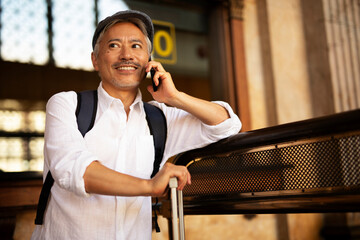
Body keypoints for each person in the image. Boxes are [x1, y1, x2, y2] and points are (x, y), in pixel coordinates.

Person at [31, 10, 241, 239]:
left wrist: (175, 97)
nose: (126, 55)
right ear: (95, 60)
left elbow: (227, 125)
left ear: (149, 61)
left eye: (136, 46)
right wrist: (150, 186)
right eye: (113, 45)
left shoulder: (159, 119)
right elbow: (74, 171)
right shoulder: (67, 104)